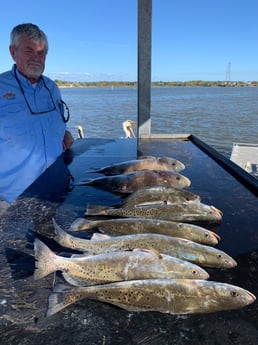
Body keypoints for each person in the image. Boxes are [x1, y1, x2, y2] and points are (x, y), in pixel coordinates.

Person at [0, 23, 74, 206]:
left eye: (41, 53)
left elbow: (55, 122)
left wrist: (64, 133)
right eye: (29, 50)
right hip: (13, 197)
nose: (36, 57)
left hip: (57, 188)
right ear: (13, 51)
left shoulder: (52, 88)